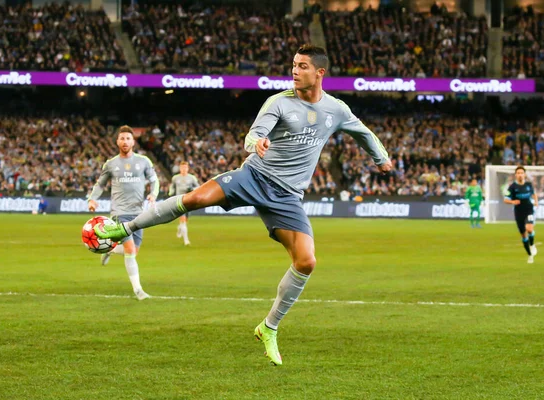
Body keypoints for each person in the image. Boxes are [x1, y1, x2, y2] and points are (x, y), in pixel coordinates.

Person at [95, 45, 392, 365]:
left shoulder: (336, 109)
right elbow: (254, 135)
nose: (294, 71)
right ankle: (122, 227)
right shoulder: (278, 102)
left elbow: (363, 133)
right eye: (293, 64)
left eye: (302, 66)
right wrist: (257, 142)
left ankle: (269, 327)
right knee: (195, 198)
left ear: (320, 73)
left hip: (288, 197)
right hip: (254, 176)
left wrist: (382, 159)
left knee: (306, 262)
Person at [88, 125, 159, 300]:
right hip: (119, 212)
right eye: (122, 138)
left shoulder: (144, 161)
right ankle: (138, 290)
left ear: (133, 141)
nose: (125, 141)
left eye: (128, 138)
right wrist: (92, 198)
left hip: (139, 213)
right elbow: (100, 184)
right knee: (129, 250)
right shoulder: (111, 164)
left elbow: (154, 180)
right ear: (117, 141)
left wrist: (153, 194)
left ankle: (109, 249)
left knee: (134, 250)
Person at [504, 166, 539, 264]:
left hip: (529, 209)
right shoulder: (512, 187)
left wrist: (536, 202)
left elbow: (534, 194)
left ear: (524, 174)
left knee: (529, 229)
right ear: (515, 175)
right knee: (523, 235)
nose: (520, 174)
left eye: (521, 173)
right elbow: (505, 199)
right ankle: (530, 255)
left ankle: (532, 245)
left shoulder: (528, 185)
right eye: (518, 173)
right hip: (519, 212)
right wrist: (513, 201)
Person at [169, 161, 200, 245]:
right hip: (179, 201)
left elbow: (198, 187)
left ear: (188, 168)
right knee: (182, 219)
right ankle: (186, 240)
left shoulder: (192, 178)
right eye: (182, 167)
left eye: (185, 167)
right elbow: (172, 187)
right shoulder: (175, 178)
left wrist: (192, 188)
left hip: (189, 201)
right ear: (180, 168)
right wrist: (170, 193)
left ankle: (179, 228)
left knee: (185, 221)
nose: (183, 169)